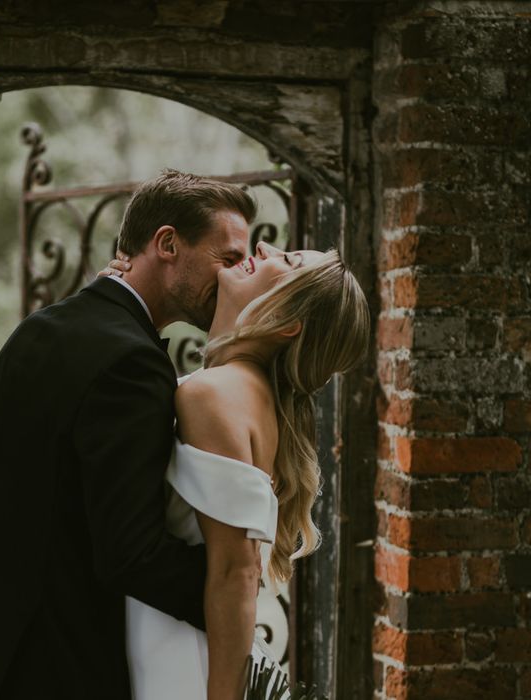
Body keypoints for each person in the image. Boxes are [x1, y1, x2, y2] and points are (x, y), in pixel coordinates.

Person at [0, 170, 257, 699]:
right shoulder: (133, 364)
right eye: (227, 258)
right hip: (57, 668)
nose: (236, 276)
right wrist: (236, 584)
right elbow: (129, 554)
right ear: (167, 243)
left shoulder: (41, 328)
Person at [104, 240, 369, 699]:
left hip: (183, 664)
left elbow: (235, 572)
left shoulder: (216, 394)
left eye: (286, 261)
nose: (264, 246)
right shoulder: (249, 394)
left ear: (288, 323)